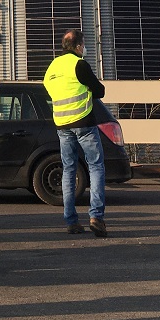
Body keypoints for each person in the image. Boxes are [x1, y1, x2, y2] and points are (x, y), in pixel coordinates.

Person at [42, 29, 108, 237]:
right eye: (84, 45)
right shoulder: (79, 64)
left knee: (68, 170)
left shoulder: (52, 66)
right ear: (79, 46)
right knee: (96, 166)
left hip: (62, 125)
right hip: (84, 123)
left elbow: (48, 88)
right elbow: (100, 90)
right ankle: (96, 216)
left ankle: (71, 220)